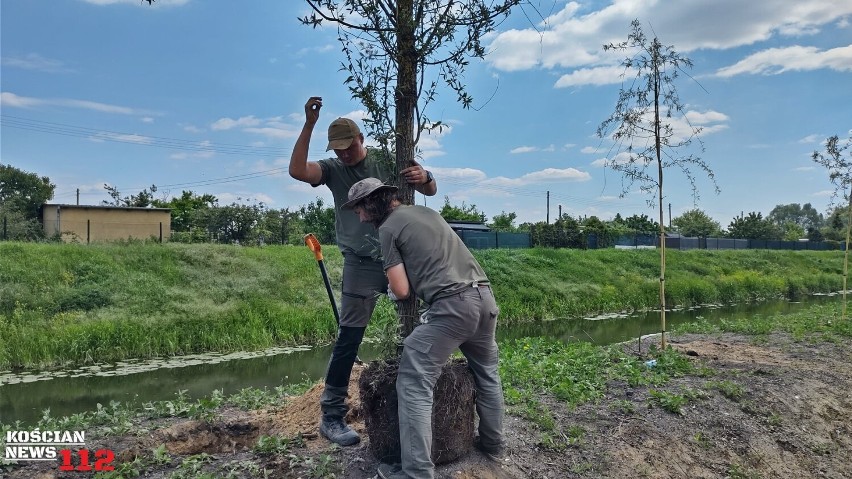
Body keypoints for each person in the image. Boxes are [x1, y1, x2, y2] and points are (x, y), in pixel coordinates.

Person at [289, 97, 438, 447]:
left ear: (361, 138)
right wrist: (309, 124)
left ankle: (416, 399)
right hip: (360, 263)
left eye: (348, 146)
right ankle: (332, 415)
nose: (343, 154)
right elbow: (298, 171)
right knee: (349, 336)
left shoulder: (389, 158)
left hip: (402, 255)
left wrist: (426, 176)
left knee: (420, 323)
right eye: (337, 149)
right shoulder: (332, 169)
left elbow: (429, 189)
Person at [341, 178, 506, 479]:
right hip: (484, 298)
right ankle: (494, 446)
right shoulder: (429, 213)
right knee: (487, 374)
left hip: (453, 307)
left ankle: (416, 472)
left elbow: (402, 290)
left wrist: (392, 289)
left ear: (371, 203)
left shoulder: (388, 228)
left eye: (359, 211)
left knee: (414, 379)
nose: (360, 218)